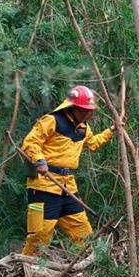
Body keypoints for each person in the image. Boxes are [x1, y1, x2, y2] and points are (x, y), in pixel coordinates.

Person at [20, 86, 113, 254]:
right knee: (40, 236)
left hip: (68, 187)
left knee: (83, 234)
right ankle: (25, 271)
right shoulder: (52, 120)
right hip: (44, 186)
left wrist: (111, 131)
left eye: (89, 111)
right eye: (84, 111)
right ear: (72, 107)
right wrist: (40, 160)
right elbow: (31, 142)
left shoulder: (84, 128)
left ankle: (86, 270)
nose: (87, 115)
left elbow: (93, 144)